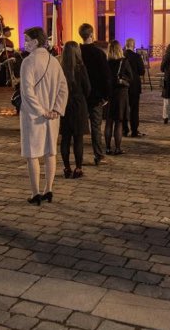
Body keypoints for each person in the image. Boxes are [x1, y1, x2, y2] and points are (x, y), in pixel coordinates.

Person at [19, 27, 68, 205]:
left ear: (35, 41)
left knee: (33, 154)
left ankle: (35, 193)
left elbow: (27, 91)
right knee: (50, 152)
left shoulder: (28, 62)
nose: (24, 42)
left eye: (26, 39)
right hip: (52, 116)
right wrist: (56, 109)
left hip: (34, 116)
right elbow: (64, 88)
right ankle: (49, 189)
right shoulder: (54, 61)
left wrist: (41, 111)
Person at [78, 23, 111, 165]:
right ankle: (99, 155)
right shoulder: (98, 53)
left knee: (78, 127)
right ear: (92, 35)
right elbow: (106, 77)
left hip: (79, 96)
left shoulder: (76, 52)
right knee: (96, 127)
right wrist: (106, 96)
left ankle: (78, 157)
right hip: (95, 96)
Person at [58, 41, 91, 180]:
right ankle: (78, 168)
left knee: (65, 138)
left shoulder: (59, 68)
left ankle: (66, 167)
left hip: (64, 105)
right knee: (78, 139)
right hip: (78, 104)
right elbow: (87, 88)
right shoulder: (80, 68)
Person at [105, 40, 132, 155]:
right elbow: (131, 78)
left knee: (108, 122)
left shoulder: (106, 62)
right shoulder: (124, 61)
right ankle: (117, 148)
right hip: (120, 94)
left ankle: (107, 148)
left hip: (108, 94)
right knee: (119, 122)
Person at [123, 38, 145, 137]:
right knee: (134, 109)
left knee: (123, 108)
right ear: (133, 45)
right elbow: (141, 71)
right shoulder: (136, 56)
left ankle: (124, 129)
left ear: (126, 45)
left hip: (123, 85)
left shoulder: (122, 56)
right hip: (134, 86)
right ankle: (134, 130)